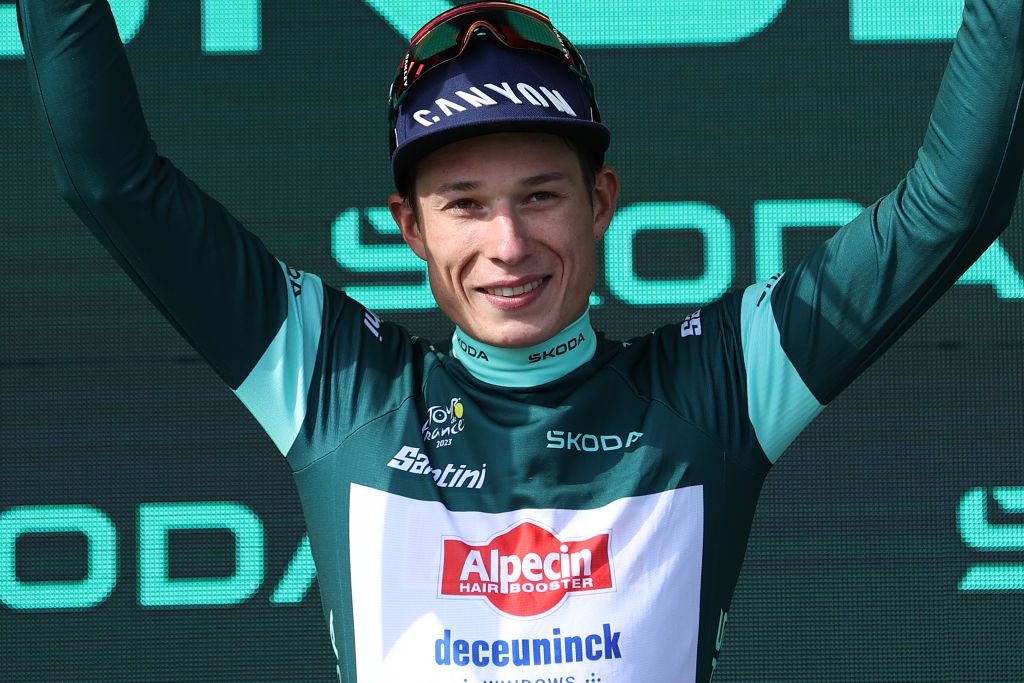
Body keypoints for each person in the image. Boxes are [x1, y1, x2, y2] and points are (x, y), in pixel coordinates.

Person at [16, 0, 1024, 680]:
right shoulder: (336, 384)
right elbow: (110, 180)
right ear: (411, 228)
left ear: (601, 203)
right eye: (464, 204)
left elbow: (949, 206)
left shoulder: (717, 385)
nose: (508, 244)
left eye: (540, 196)